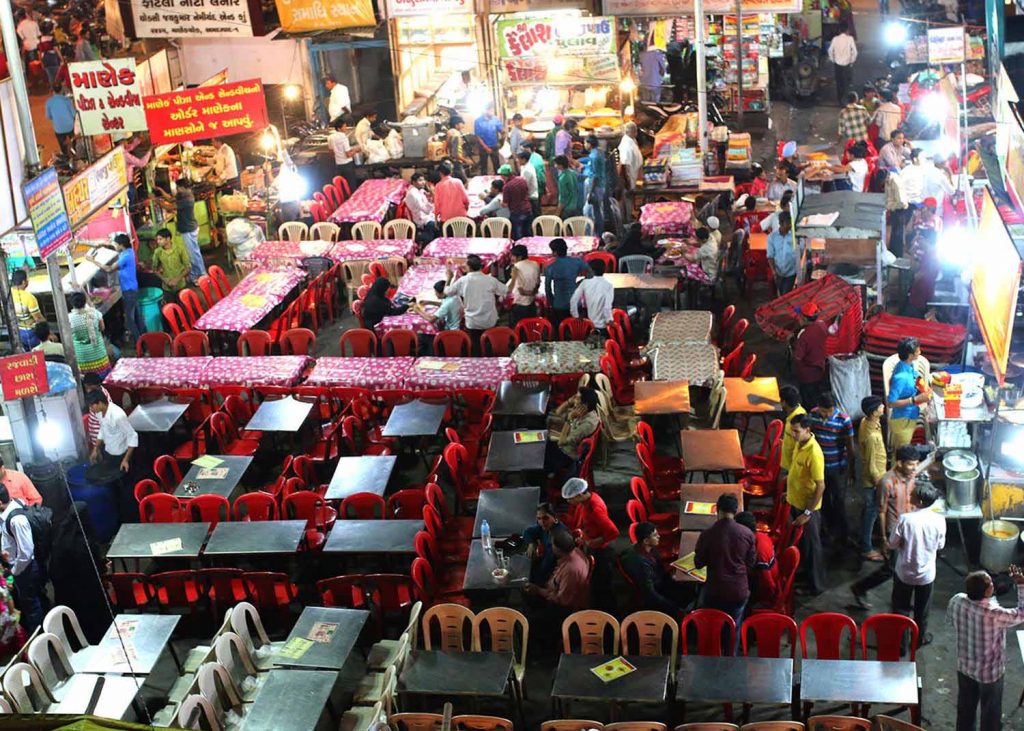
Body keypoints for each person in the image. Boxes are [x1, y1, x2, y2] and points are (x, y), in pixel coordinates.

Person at [947, 567, 1024, 731]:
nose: (993, 584)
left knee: (965, 709)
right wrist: (1022, 585)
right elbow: (1022, 613)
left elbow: (953, 621)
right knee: (991, 712)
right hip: (989, 674)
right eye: (990, 583)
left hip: (965, 667)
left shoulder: (956, 600)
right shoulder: (994, 614)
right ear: (988, 591)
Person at [852, 444, 921, 609]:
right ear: (899, 463)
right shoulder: (886, 482)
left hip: (909, 529)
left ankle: (900, 600)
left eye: (916, 463)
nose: (914, 468)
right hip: (893, 531)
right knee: (891, 568)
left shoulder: (912, 476)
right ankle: (859, 588)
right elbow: (881, 511)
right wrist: (883, 539)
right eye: (911, 464)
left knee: (906, 567)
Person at [695, 493, 756, 650]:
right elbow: (751, 563)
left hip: (715, 590)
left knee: (712, 624)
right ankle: (731, 659)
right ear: (736, 510)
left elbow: (698, 563)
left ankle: (711, 654)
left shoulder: (707, 534)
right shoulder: (747, 534)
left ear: (717, 509)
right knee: (734, 627)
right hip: (738, 590)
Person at [889, 482, 945, 651]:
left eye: (912, 495)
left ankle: (901, 645)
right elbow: (940, 545)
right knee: (922, 610)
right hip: (927, 575)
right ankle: (918, 640)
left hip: (905, 572)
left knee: (901, 608)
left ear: (919, 502)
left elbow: (892, 543)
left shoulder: (906, 519)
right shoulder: (939, 520)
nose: (909, 496)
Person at [562, 475, 619, 610]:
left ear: (580, 494)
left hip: (602, 551)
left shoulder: (595, 510)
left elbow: (613, 532)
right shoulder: (587, 501)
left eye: (571, 498)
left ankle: (609, 614)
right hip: (592, 544)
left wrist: (592, 542)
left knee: (602, 585)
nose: (569, 502)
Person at [787, 414, 827, 595]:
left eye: (796, 431)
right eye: (792, 431)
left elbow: (820, 485)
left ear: (807, 430)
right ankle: (804, 576)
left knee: (812, 547)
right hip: (796, 501)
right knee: (803, 545)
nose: (793, 435)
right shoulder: (800, 443)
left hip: (807, 508)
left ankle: (816, 586)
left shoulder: (814, 453)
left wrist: (808, 513)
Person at [810, 393, 855, 550]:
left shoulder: (844, 420)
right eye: (823, 411)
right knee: (824, 500)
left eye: (829, 411)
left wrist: (851, 470)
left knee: (839, 501)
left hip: (836, 467)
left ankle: (843, 535)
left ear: (834, 408)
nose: (826, 415)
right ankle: (828, 531)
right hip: (819, 467)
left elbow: (850, 447)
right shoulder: (813, 415)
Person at [523, 527, 591, 627]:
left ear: (558, 549)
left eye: (552, 545)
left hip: (564, 609)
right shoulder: (575, 551)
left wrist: (538, 590)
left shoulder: (571, 570)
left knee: (531, 622)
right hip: (555, 590)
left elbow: (562, 600)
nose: (551, 547)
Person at [0, 485, 45, 633]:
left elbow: (26, 553)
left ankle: (39, 639)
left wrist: (14, 571)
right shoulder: (15, 503)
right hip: (19, 566)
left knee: (31, 606)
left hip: (24, 569)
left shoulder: (16, 520)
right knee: (32, 599)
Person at [621, 522, 689, 615]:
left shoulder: (650, 548)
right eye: (655, 535)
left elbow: (661, 570)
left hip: (660, 580)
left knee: (688, 589)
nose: (659, 536)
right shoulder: (641, 564)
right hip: (655, 590)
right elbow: (649, 593)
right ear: (645, 541)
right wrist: (673, 608)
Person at [88, 234, 143, 345]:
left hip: (129, 291)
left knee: (130, 320)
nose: (115, 246)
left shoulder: (125, 256)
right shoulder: (128, 251)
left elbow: (109, 269)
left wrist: (92, 261)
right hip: (133, 288)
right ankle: (144, 341)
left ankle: (139, 345)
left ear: (121, 245)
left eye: (116, 244)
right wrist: (102, 245)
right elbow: (113, 248)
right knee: (137, 317)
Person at [444, 254, 504, 351]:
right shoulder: (490, 280)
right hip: (489, 321)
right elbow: (505, 290)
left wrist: (449, 278)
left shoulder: (463, 281)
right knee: (490, 345)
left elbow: (447, 292)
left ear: (469, 267)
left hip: (473, 322)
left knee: (476, 347)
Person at [858, 395, 887, 561]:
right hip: (874, 480)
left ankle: (868, 537)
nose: (883, 407)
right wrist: (879, 484)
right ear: (874, 412)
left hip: (878, 474)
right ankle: (866, 547)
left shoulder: (867, 421)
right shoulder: (870, 437)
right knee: (872, 512)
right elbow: (870, 465)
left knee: (871, 511)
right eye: (880, 406)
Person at [545, 390, 601, 475]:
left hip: (568, 454)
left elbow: (561, 443)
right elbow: (557, 412)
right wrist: (569, 401)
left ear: (584, 405)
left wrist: (569, 420)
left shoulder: (587, 424)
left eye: (577, 398)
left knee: (541, 458)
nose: (574, 399)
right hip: (566, 443)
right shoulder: (584, 412)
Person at [887, 337, 929, 450]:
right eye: (918, 351)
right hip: (902, 420)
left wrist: (922, 383)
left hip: (911, 414)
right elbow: (891, 403)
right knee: (903, 454)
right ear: (911, 355)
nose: (920, 352)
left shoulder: (905, 364)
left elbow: (914, 374)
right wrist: (915, 399)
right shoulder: (901, 377)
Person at [735, 511, 781, 610]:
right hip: (762, 580)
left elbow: (767, 583)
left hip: (763, 593)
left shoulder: (759, 552)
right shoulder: (761, 535)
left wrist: (765, 602)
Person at [544, 238, 590, 326]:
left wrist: (552, 304)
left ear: (555, 252)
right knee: (577, 328)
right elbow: (591, 274)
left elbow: (548, 290)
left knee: (561, 329)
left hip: (559, 304)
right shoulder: (577, 261)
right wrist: (580, 283)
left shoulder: (550, 268)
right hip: (576, 302)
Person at [793, 301, 829, 407]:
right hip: (820, 370)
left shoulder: (803, 335)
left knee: (807, 400)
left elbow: (798, 357)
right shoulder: (823, 325)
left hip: (807, 375)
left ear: (804, 318)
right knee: (816, 397)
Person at [523, 503, 570, 584]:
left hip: (555, 574)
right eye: (539, 518)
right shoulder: (544, 526)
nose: (542, 522)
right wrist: (531, 544)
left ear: (555, 517)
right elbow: (527, 532)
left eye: (545, 518)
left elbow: (548, 564)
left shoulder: (559, 535)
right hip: (544, 563)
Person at [68, 291, 111, 378]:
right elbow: (102, 328)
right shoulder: (95, 313)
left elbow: (68, 335)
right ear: (85, 302)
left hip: (82, 356)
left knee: (88, 380)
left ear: (72, 304)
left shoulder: (69, 318)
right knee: (103, 380)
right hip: (98, 353)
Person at [172, 179, 205, 282]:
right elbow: (170, 199)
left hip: (188, 229)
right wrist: (159, 191)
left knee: (193, 254)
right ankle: (199, 274)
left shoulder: (187, 199)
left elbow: (170, 206)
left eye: (178, 188)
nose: (177, 190)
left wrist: (156, 200)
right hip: (190, 227)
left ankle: (199, 276)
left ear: (182, 187)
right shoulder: (185, 195)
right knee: (194, 253)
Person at [570, 259, 614, 333]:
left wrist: (576, 316)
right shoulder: (609, 286)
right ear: (605, 269)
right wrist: (609, 320)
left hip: (588, 325)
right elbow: (607, 307)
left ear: (592, 270)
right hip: (603, 326)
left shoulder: (585, 283)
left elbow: (573, 300)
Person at [150, 227, 191, 304]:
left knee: (184, 308)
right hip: (166, 287)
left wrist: (177, 279)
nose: (158, 242)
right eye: (157, 239)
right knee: (171, 310)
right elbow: (154, 269)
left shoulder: (179, 249)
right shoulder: (157, 252)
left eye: (160, 239)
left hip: (181, 285)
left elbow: (188, 267)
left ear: (168, 239)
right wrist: (164, 279)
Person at [506, 244, 540, 326]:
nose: (511, 258)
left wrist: (513, 277)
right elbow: (538, 283)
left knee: (517, 328)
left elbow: (517, 290)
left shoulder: (516, 267)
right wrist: (532, 292)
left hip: (520, 304)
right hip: (531, 303)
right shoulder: (535, 264)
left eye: (513, 256)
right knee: (530, 327)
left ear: (520, 257)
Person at [11, 270, 44, 349]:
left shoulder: (8, 294)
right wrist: (49, 332)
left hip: (16, 331)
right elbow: (38, 319)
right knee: (36, 355)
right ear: (23, 282)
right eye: (27, 280)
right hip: (30, 332)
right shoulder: (29, 297)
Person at [499, 164, 533, 240]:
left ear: (504, 176)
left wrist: (500, 202)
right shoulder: (522, 180)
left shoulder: (507, 187)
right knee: (528, 234)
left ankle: (519, 250)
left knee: (518, 236)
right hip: (528, 209)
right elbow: (527, 191)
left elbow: (505, 204)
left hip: (517, 213)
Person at [766, 212, 797, 295]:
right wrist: (774, 272)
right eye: (787, 223)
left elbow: (799, 252)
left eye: (791, 223)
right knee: (780, 293)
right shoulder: (772, 237)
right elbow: (770, 256)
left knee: (785, 294)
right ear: (780, 223)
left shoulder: (795, 236)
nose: (790, 225)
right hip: (778, 272)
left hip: (791, 273)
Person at [328, 116, 360, 194]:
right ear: (339, 128)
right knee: (351, 186)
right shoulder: (343, 137)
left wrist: (338, 156)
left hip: (338, 165)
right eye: (344, 126)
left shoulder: (330, 137)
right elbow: (348, 154)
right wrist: (356, 151)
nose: (346, 128)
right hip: (347, 165)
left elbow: (331, 152)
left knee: (341, 187)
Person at [618, 122, 643, 219]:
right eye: (635, 130)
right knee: (627, 202)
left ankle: (631, 216)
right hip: (629, 179)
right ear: (633, 132)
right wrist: (628, 183)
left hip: (634, 175)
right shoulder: (626, 146)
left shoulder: (632, 140)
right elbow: (625, 165)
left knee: (631, 200)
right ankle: (628, 221)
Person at [779, 384, 806, 473]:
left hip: (792, 467)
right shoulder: (793, 413)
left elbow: (801, 446)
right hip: (787, 463)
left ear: (784, 402)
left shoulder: (797, 421)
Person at [404, 172, 438, 244]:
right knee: (438, 225)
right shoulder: (413, 194)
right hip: (421, 220)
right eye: (420, 180)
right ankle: (424, 240)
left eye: (423, 180)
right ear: (414, 182)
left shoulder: (419, 190)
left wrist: (430, 194)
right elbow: (426, 211)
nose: (423, 182)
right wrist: (432, 200)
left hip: (426, 216)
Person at [583, 136, 607, 233]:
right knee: (596, 211)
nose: (584, 145)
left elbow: (595, 176)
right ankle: (598, 233)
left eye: (585, 143)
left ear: (589, 144)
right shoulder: (598, 152)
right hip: (599, 186)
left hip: (596, 187)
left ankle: (594, 235)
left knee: (589, 212)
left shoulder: (594, 156)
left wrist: (591, 192)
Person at [828, 24, 858, 102]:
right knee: (847, 83)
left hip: (837, 65)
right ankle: (846, 99)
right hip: (847, 65)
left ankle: (839, 99)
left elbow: (830, 50)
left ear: (839, 31)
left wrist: (833, 59)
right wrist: (852, 61)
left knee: (839, 82)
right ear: (847, 30)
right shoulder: (850, 39)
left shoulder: (835, 39)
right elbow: (855, 52)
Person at [45, 84, 76, 157]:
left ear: (52, 91)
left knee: (62, 143)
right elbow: (74, 114)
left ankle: (65, 153)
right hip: (70, 127)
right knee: (74, 137)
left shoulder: (49, 102)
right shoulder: (67, 100)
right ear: (62, 90)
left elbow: (48, 116)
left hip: (59, 129)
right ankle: (74, 149)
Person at [82, 374, 109, 451]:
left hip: (102, 442)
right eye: (86, 388)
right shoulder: (96, 396)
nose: (88, 391)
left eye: (90, 388)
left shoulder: (102, 402)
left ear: (98, 386)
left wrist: (97, 448)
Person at [474, 104, 503, 175]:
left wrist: (501, 142)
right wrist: (486, 147)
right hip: (483, 146)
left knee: (497, 165)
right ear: (485, 111)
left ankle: (499, 180)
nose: (492, 112)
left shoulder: (495, 119)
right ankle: (484, 181)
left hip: (494, 145)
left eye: (493, 110)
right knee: (483, 166)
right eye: (491, 110)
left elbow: (502, 131)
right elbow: (478, 136)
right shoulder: (478, 121)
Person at [447, 117, 473, 182]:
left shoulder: (449, 132)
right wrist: (466, 160)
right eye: (461, 124)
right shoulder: (456, 135)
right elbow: (455, 154)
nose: (463, 126)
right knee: (464, 182)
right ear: (456, 125)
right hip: (456, 162)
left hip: (451, 161)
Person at [516, 149, 540, 217]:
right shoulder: (525, 166)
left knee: (534, 219)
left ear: (524, 159)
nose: (517, 160)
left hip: (531, 197)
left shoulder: (527, 170)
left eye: (519, 159)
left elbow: (524, 185)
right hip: (530, 196)